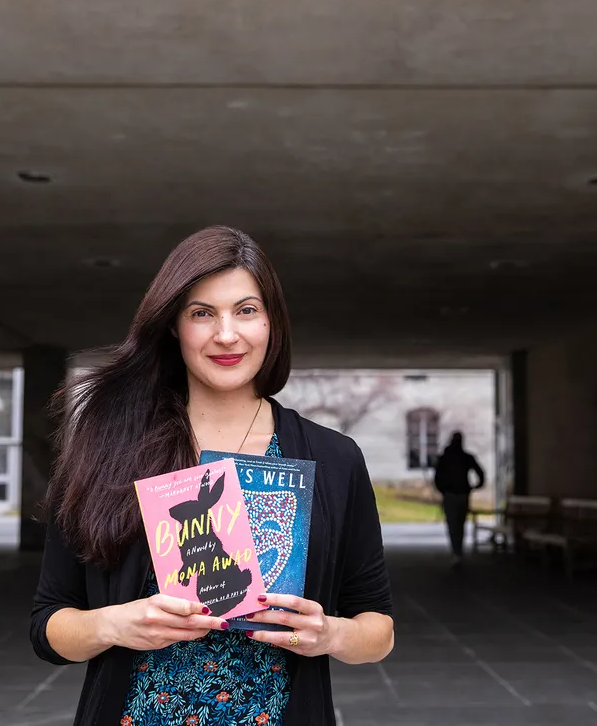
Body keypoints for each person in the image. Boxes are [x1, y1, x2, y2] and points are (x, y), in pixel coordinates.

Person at [30, 226, 395, 726]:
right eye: (202, 313)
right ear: (173, 327)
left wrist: (329, 635)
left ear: (272, 323)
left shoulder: (335, 459)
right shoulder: (106, 449)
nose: (227, 334)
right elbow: (49, 624)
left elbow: (377, 628)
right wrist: (114, 624)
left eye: (246, 310)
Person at [433, 431, 485, 568]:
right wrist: (475, 486)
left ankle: (455, 551)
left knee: (452, 524)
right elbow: (480, 472)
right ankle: (458, 551)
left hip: (450, 494)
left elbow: (437, 477)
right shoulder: (466, 457)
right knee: (460, 524)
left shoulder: (444, 458)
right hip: (463, 494)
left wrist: (443, 490)